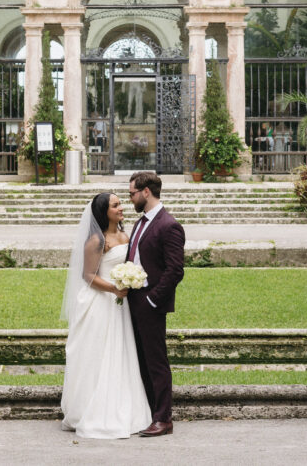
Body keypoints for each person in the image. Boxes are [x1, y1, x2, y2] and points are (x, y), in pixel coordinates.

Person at [60, 192, 151, 439]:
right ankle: (93, 408)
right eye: (116, 205)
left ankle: (125, 406)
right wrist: (114, 288)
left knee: (121, 354)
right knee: (101, 355)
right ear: (104, 211)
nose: (122, 207)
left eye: (121, 203)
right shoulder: (96, 240)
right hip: (102, 303)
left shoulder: (124, 234)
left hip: (120, 304)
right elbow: (88, 275)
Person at [125, 171, 186, 437]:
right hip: (133, 300)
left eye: (132, 194)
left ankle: (164, 418)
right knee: (140, 359)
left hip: (150, 303)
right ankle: (149, 413)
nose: (130, 199)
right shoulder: (140, 223)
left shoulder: (168, 225)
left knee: (156, 361)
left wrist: (151, 299)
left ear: (146, 191)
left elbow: (175, 271)